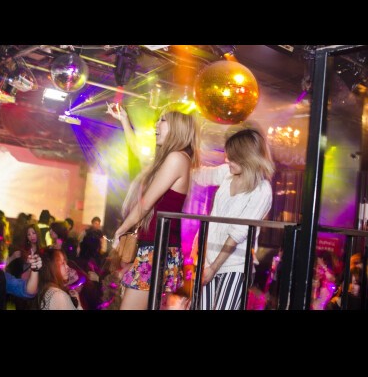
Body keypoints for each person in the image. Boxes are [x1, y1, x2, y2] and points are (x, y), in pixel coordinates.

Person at [107, 102, 200, 310]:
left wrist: (121, 230)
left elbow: (146, 203)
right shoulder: (173, 158)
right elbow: (138, 155)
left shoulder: (177, 158)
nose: (156, 125)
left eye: (162, 120)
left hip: (157, 249)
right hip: (154, 247)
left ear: (178, 127)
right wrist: (124, 121)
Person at [191, 128, 275, 310]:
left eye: (232, 157)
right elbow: (199, 175)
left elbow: (237, 234)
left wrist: (214, 268)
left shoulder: (262, 190)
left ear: (247, 158)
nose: (226, 160)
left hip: (235, 266)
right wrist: (184, 153)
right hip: (208, 258)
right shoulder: (227, 173)